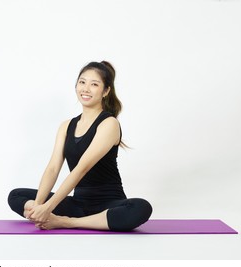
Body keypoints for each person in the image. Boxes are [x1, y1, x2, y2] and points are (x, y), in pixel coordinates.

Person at [8, 61, 152, 231]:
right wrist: (39, 206)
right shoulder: (66, 126)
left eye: (94, 84)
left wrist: (48, 208)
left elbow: (81, 168)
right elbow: (53, 168)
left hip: (108, 205)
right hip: (78, 205)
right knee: (16, 195)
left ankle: (64, 222)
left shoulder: (109, 124)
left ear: (106, 91)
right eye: (82, 82)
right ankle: (55, 218)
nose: (86, 89)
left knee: (141, 208)